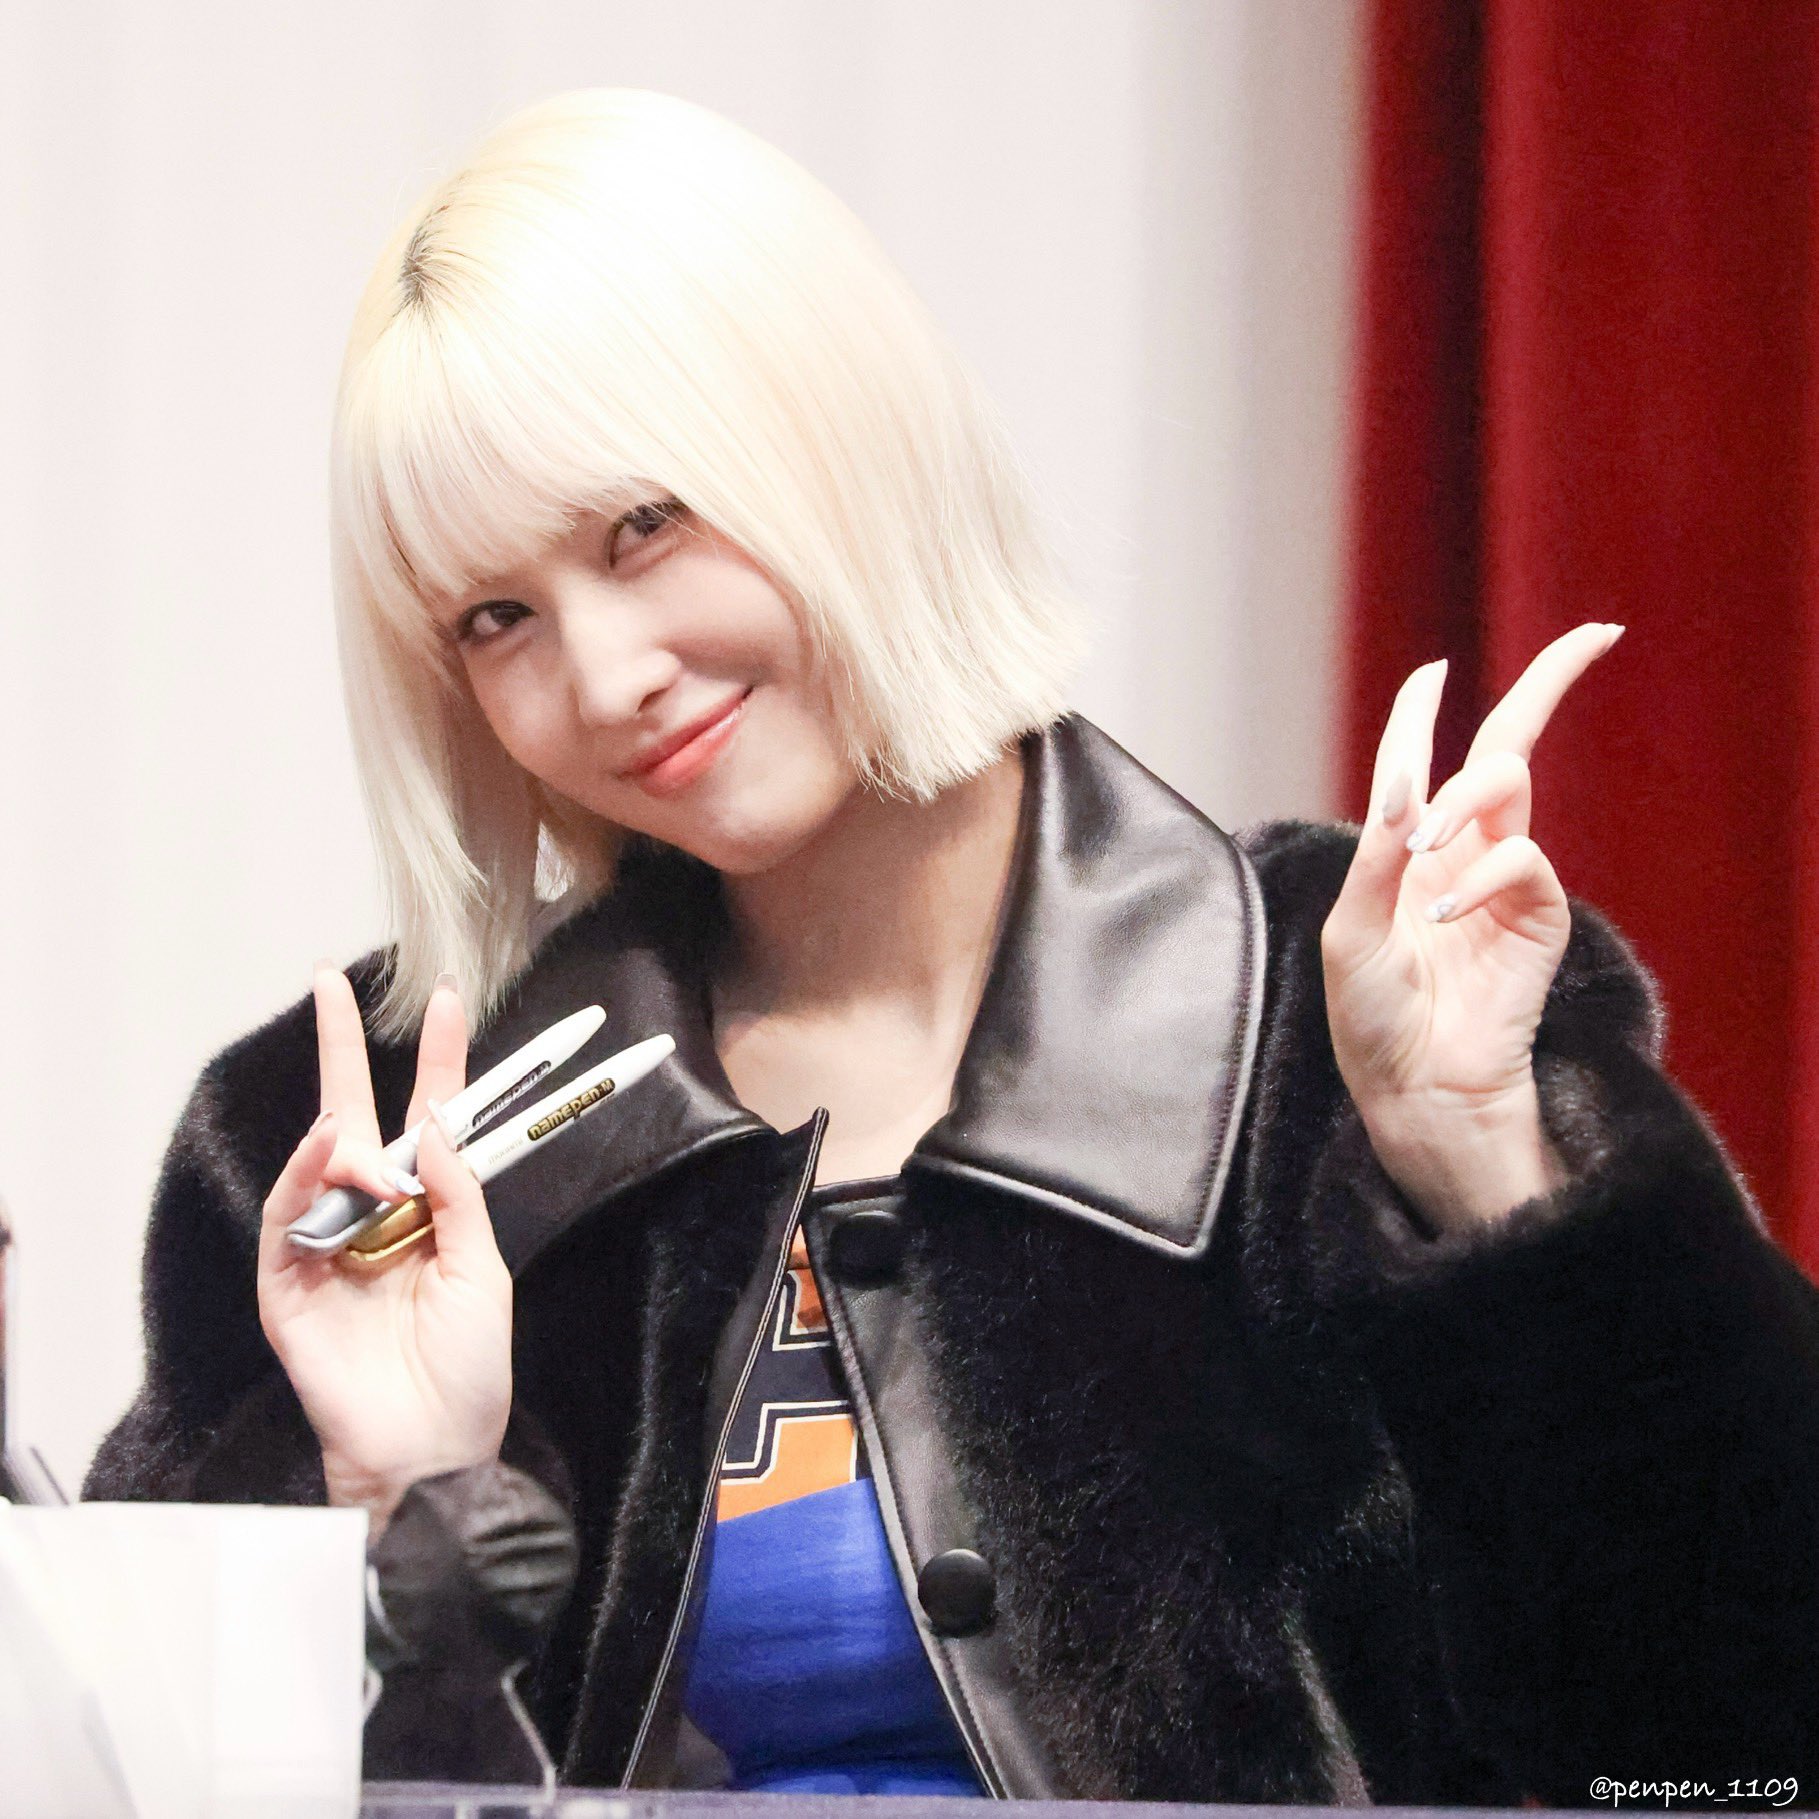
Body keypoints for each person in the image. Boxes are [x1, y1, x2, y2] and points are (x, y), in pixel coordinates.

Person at [86, 89, 1819, 1803]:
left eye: (645, 526)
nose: (606, 676)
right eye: (496, 617)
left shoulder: (1343, 1013)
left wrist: (1482, 1171)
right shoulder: (365, 1158)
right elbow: (130, 1771)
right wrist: (394, 1515)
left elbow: (1730, 1745)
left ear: (840, 446)